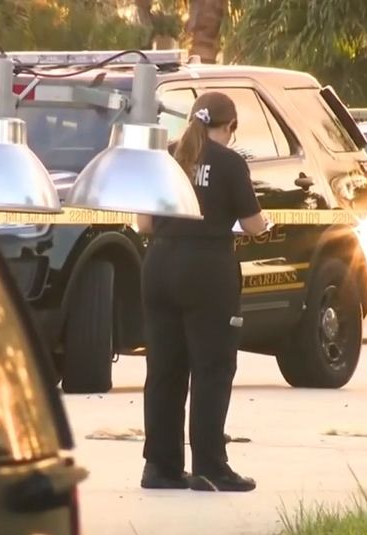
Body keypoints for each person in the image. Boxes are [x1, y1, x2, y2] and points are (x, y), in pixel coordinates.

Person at [136, 92, 270, 492]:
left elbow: (144, 224)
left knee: (164, 369)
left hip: (159, 265)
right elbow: (253, 224)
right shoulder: (230, 162)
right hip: (208, 269)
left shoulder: (166, 157)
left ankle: (160, 467)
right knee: (212, 368)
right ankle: (210, 466)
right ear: (230, 126)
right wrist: (266, 223)